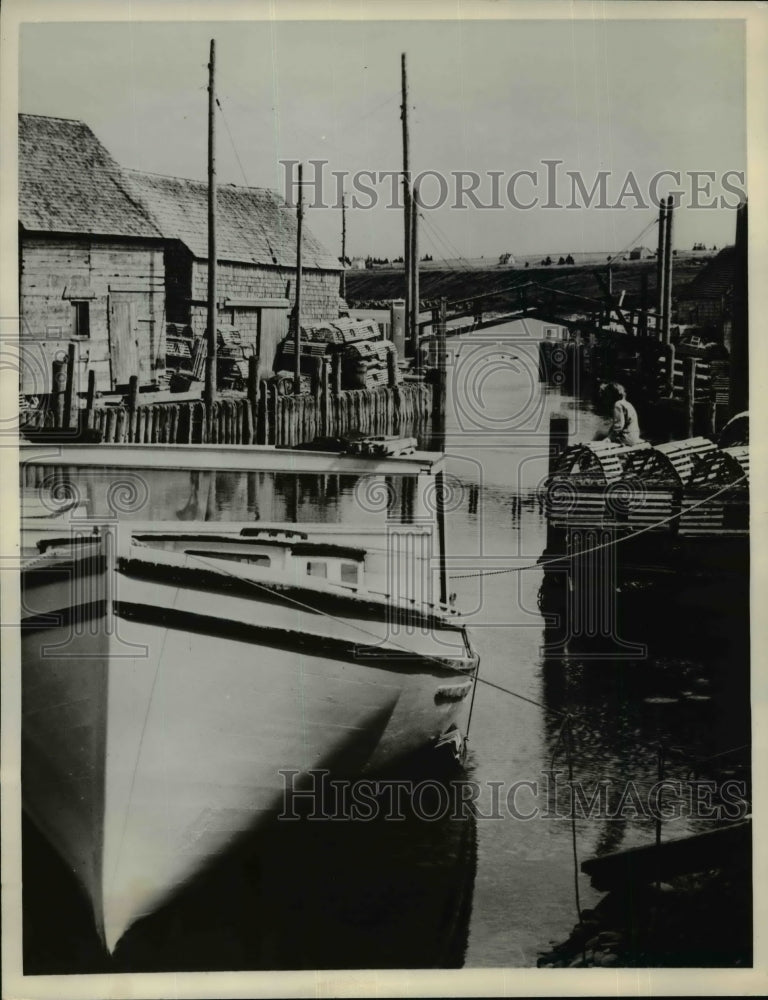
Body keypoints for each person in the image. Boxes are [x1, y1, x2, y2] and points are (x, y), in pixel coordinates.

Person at [593, 382, 641, 446]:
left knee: (599, 434)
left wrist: (609, 438)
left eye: (607, 395)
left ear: (612, 394)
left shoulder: (617, 404)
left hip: (626, 438)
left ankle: (592, 450)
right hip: (634, 436)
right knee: (602, 433)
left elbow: (619, 426)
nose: (605, 398)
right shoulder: (627, 403)